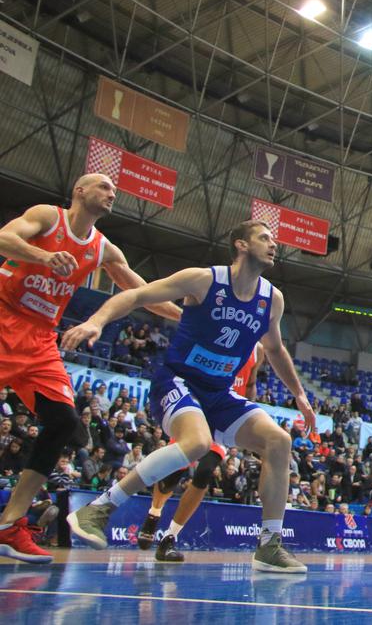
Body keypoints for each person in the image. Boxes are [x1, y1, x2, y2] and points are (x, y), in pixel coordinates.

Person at [62, 220, 314, 573]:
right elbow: (138, 295)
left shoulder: (272, 299)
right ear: (241, 245)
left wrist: (300, 396)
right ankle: (99, 507)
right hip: (177, 380)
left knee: (279, 441)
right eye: (265, 238)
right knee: (197, 443)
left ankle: (270, 545)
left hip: (217, 393)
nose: (274, 245)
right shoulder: (204, 280)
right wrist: (97, 321)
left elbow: (275, 348)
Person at [0, 175, 182, 564]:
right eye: (103, 186)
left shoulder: (103, 249)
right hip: (3, 317)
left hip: (40, 340)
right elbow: (4, 238)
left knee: (64, 421)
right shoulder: (48, 217)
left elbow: (144, 294)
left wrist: (191, 319)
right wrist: (44, 257)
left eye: (114, 190)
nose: (111, 192)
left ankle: (10, 524)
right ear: (79, 191)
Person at [135, 343, 265, 562]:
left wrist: (248, 415)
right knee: (173, 472)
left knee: (205, 472)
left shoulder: (258, 350)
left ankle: (169, 538)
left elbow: (250, 384)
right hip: (197, 409)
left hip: (223, 416)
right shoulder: (223, 333)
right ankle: (154, 512)